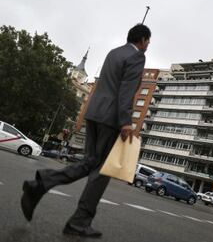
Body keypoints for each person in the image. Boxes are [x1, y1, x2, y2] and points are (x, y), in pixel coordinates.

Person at [20, 24, 151, 238]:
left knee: (90, 162)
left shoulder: (114, 52)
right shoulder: (137, 57)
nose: (148, 46)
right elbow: (126, 89)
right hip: (111, 119)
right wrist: (126, 121)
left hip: (94, 113)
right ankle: (79, 221)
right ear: (143, 40)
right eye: (148, 41)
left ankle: (41, 184)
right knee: (102, 172)